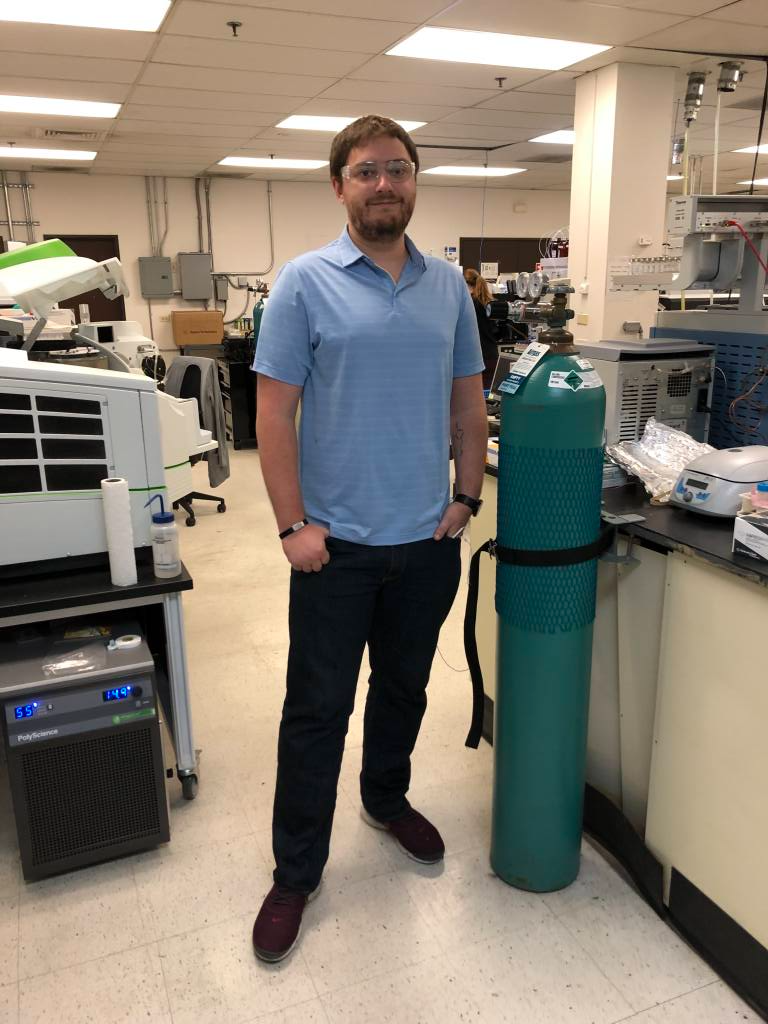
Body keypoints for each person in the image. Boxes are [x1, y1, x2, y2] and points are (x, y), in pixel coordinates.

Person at [251, 114, 488, 963]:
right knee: (316, 712)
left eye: (399, 168)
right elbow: (272, 413)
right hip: (334, 548)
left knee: (405, 690)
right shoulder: (303, 284)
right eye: (365, 171)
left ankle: (385, 800)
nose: (384, 183)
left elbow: (468, 401)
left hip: (426, 541)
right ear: (339, 185)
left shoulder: (448, 287)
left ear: (415, 180)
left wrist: (466, 495)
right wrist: (292, 525)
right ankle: (295, 873)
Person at [464, 267, 499, 391]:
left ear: (465, 284)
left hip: (476, 358)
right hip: (492, 355)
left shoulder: (468, 304)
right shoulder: (489, 303)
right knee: (488, 397)